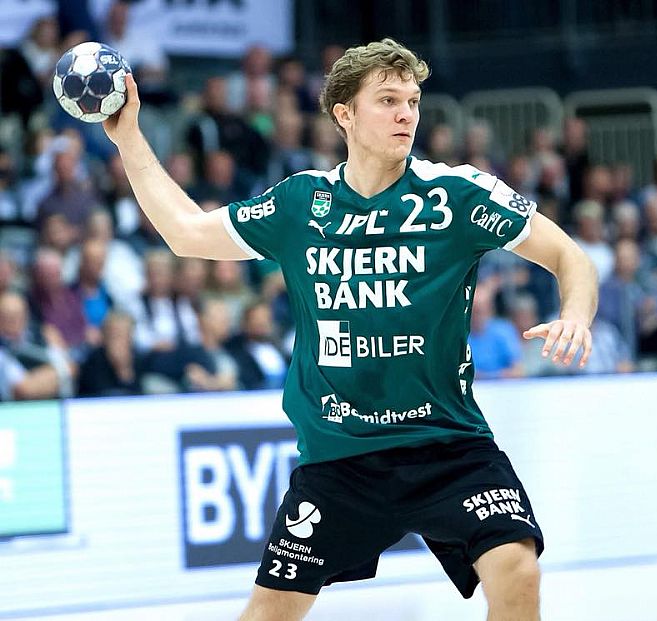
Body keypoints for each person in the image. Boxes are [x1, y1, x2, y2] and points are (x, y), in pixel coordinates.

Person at [104, 38, 598, 621]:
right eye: (388, 101)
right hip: (339, 460)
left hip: (447, 446)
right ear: (344, 114)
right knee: (268, 614)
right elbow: (186, 232)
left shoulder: (457, 195)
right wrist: (128, 137)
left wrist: (575, 314)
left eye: (412, 102)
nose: (406, 114)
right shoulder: (300, 204)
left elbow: (569, 256)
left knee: (517, 568)